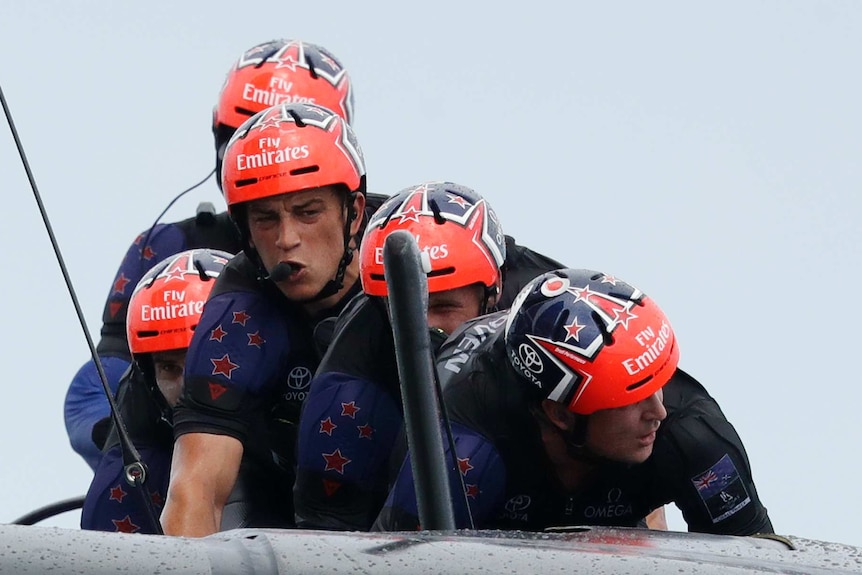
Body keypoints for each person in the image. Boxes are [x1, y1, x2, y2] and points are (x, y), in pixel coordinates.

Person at [63, 39, 357, 470]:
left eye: (308, 211)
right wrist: (151, 430)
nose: (265, 152)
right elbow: (96, 391)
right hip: (209, 463)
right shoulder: (165, 250)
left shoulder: (394, 238)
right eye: (243, 133)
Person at [374, 268, 773, 536]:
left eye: (659, 382)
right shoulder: (465, 451)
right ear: (560, 414)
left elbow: (757, 557)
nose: (658, 412)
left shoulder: (690, 434)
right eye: (630, 398)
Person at [293, 181, 565, 530]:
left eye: (443, 307)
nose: (423, 327)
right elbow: (325, 544)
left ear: (492, 291)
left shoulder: (550, 315)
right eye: (403, 309)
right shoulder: (352, 377)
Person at [161, 101, 374, 536]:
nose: (287, 239)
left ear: (353, 212)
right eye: (265, 218)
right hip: (283, 515)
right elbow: (195, 490)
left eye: (308, 212)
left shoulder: (421, 250)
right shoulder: (238, 309)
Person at [81, 248, 232, 533]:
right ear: (149, 377)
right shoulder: (141, 444)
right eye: (170, 369)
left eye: (207, 361)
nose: (189, 385)